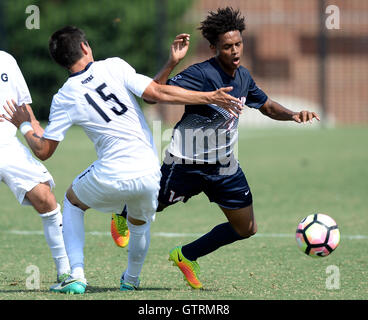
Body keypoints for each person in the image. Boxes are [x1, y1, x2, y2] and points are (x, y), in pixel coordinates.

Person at [1, 25, 242, 294]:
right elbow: (155, 93)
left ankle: (76, 274)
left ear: (60, 62)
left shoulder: (64, 96)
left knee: (72, 202)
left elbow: (44, 151)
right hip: (150, 173)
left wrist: (24, 125)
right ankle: (131, 280)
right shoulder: (114, 65)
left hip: (111, 174)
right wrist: (207, 94)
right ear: (85, 47)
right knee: (139, 224)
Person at [144, 7, 320, 289]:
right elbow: (154, 95)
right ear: (214, 48)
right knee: (152, 207)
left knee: (246, 228)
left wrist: (293, 114)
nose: (235, 51)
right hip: (186, 161)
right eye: (227, 46)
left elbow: (267, 106)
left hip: (224, 164)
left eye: (238, 44)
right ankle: (123, 213)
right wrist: (171, 62)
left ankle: (186, 256)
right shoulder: (201, 74)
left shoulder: (243, 77)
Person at [0, 51, 70, 283]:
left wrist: (37, 132)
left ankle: (66, 272)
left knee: (45, 197)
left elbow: (23, 108)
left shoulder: (7, 59)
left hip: (7, 145)